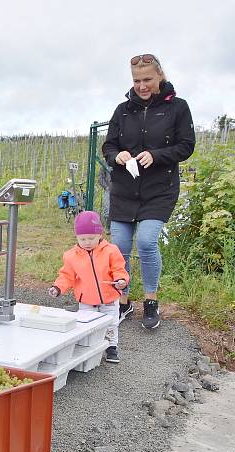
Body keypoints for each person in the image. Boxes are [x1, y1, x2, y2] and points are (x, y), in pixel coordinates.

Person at [101, 53, 195, 329]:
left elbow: (186, 146)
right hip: (124, 189)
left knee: (145, 242)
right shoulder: (122, 110)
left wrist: (156, 155)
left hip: (159, 190)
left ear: (160, 77)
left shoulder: (178, 107)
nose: (141, 85)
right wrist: (116, 156)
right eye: (136, 80)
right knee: (119, 247)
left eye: (147, 79)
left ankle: (151, 301)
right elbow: (108, 146)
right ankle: (123, 301)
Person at [48, 211, 129, 363]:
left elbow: (119, 269)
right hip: (86, 300)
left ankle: (112, 348)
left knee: (112, 323)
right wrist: (58, 287)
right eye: (82, 238)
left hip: (109, 298)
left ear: (100, 235)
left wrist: (121, 280)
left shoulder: (111, 251)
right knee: (87, 326)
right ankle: (89, 350)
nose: (87, 242)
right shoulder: (71, 255)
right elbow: (66, 275)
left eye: (91, 238)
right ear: (76, 237)